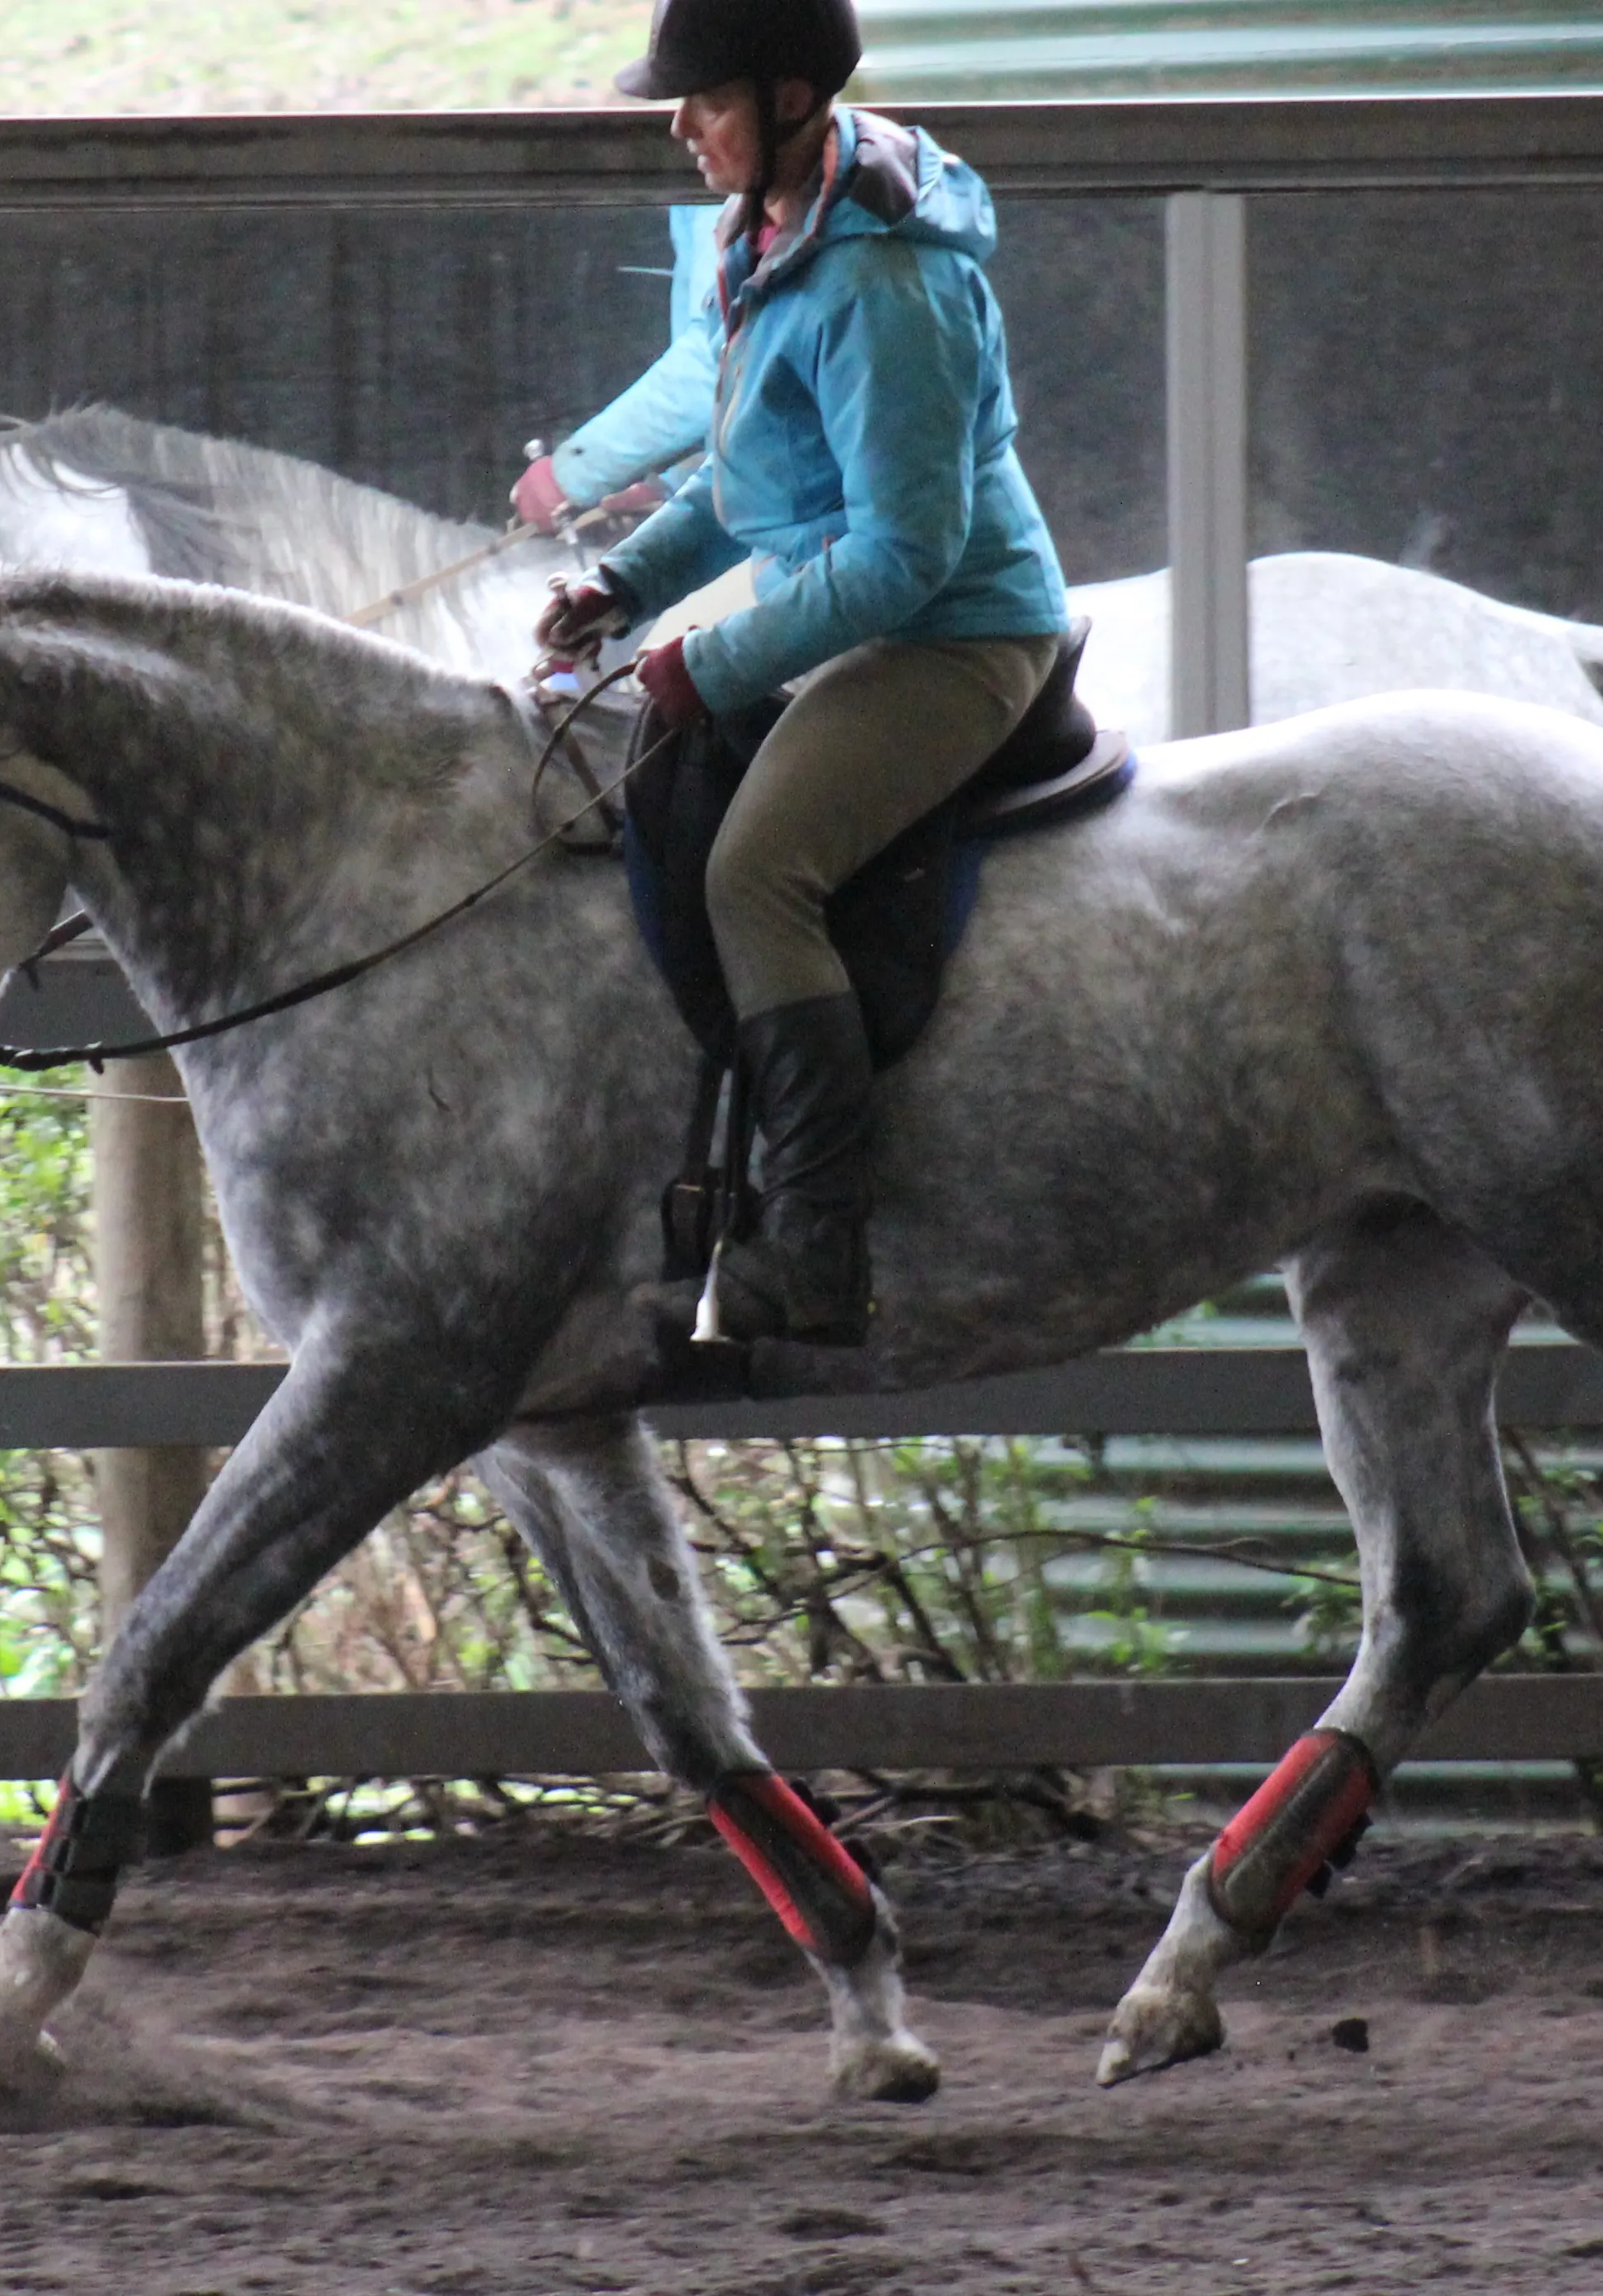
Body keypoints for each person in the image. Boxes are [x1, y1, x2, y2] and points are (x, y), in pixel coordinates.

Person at [530, 0, 1069, 1350]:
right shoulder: (769, 236)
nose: (676, 124)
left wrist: (710, 660)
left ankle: (819, 1247)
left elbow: (904, 552)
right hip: (863, 617)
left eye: (701, 99)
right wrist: (627, 583)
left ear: (784, 102)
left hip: (953, 637)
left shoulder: (885, 287)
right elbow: (753, 468)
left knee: (755, 873)